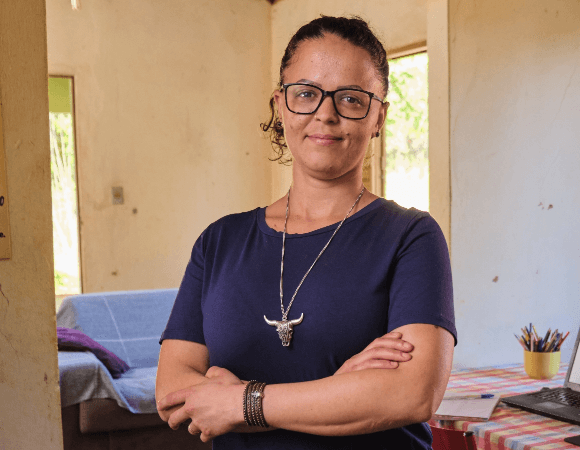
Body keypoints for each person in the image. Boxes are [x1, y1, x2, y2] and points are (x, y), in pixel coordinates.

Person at [156, 15, 456, 450]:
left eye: (352, 99)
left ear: (379, 117)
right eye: (306, 94)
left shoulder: (411, 237)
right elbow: (171, 392)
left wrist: (240, 403)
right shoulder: (219, 242)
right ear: (280, 105)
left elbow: (412, 395)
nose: (326, 114)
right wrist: (339, 392)